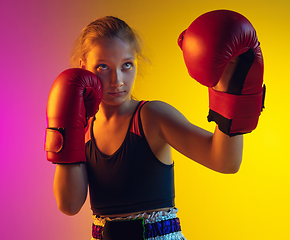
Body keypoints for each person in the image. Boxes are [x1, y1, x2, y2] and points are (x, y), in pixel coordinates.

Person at [45, 11, 264, 240]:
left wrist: (231, 90)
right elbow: (69, 205)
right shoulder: (83, 130)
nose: (117, 80)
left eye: (126, 65)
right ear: (83, 67)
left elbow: (225, 161)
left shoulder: (151, 117)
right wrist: (67, 126)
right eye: (103, 67)